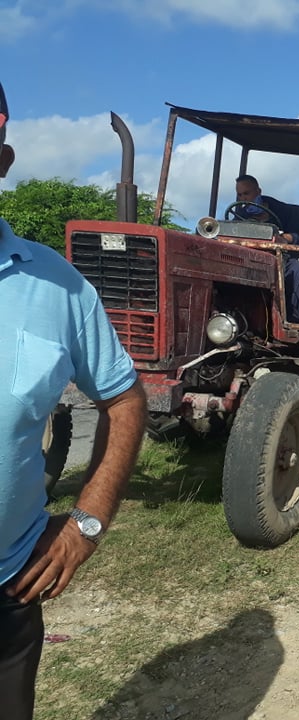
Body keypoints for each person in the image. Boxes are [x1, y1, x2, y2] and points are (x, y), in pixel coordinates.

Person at [0, 81, 147, 720]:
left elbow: (125, 398)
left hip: (10, 586)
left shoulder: (56, 284)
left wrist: (86, 520)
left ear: (2, 160)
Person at [233, 174, 299, 323]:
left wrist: (284, 238)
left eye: (247, 193)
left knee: (298, 270)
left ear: (258, 191)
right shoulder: (239, 215)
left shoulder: (284, 211)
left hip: (279, 260)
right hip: (247, 259)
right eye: (240, 195)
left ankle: (291, 320)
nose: (243, 199)